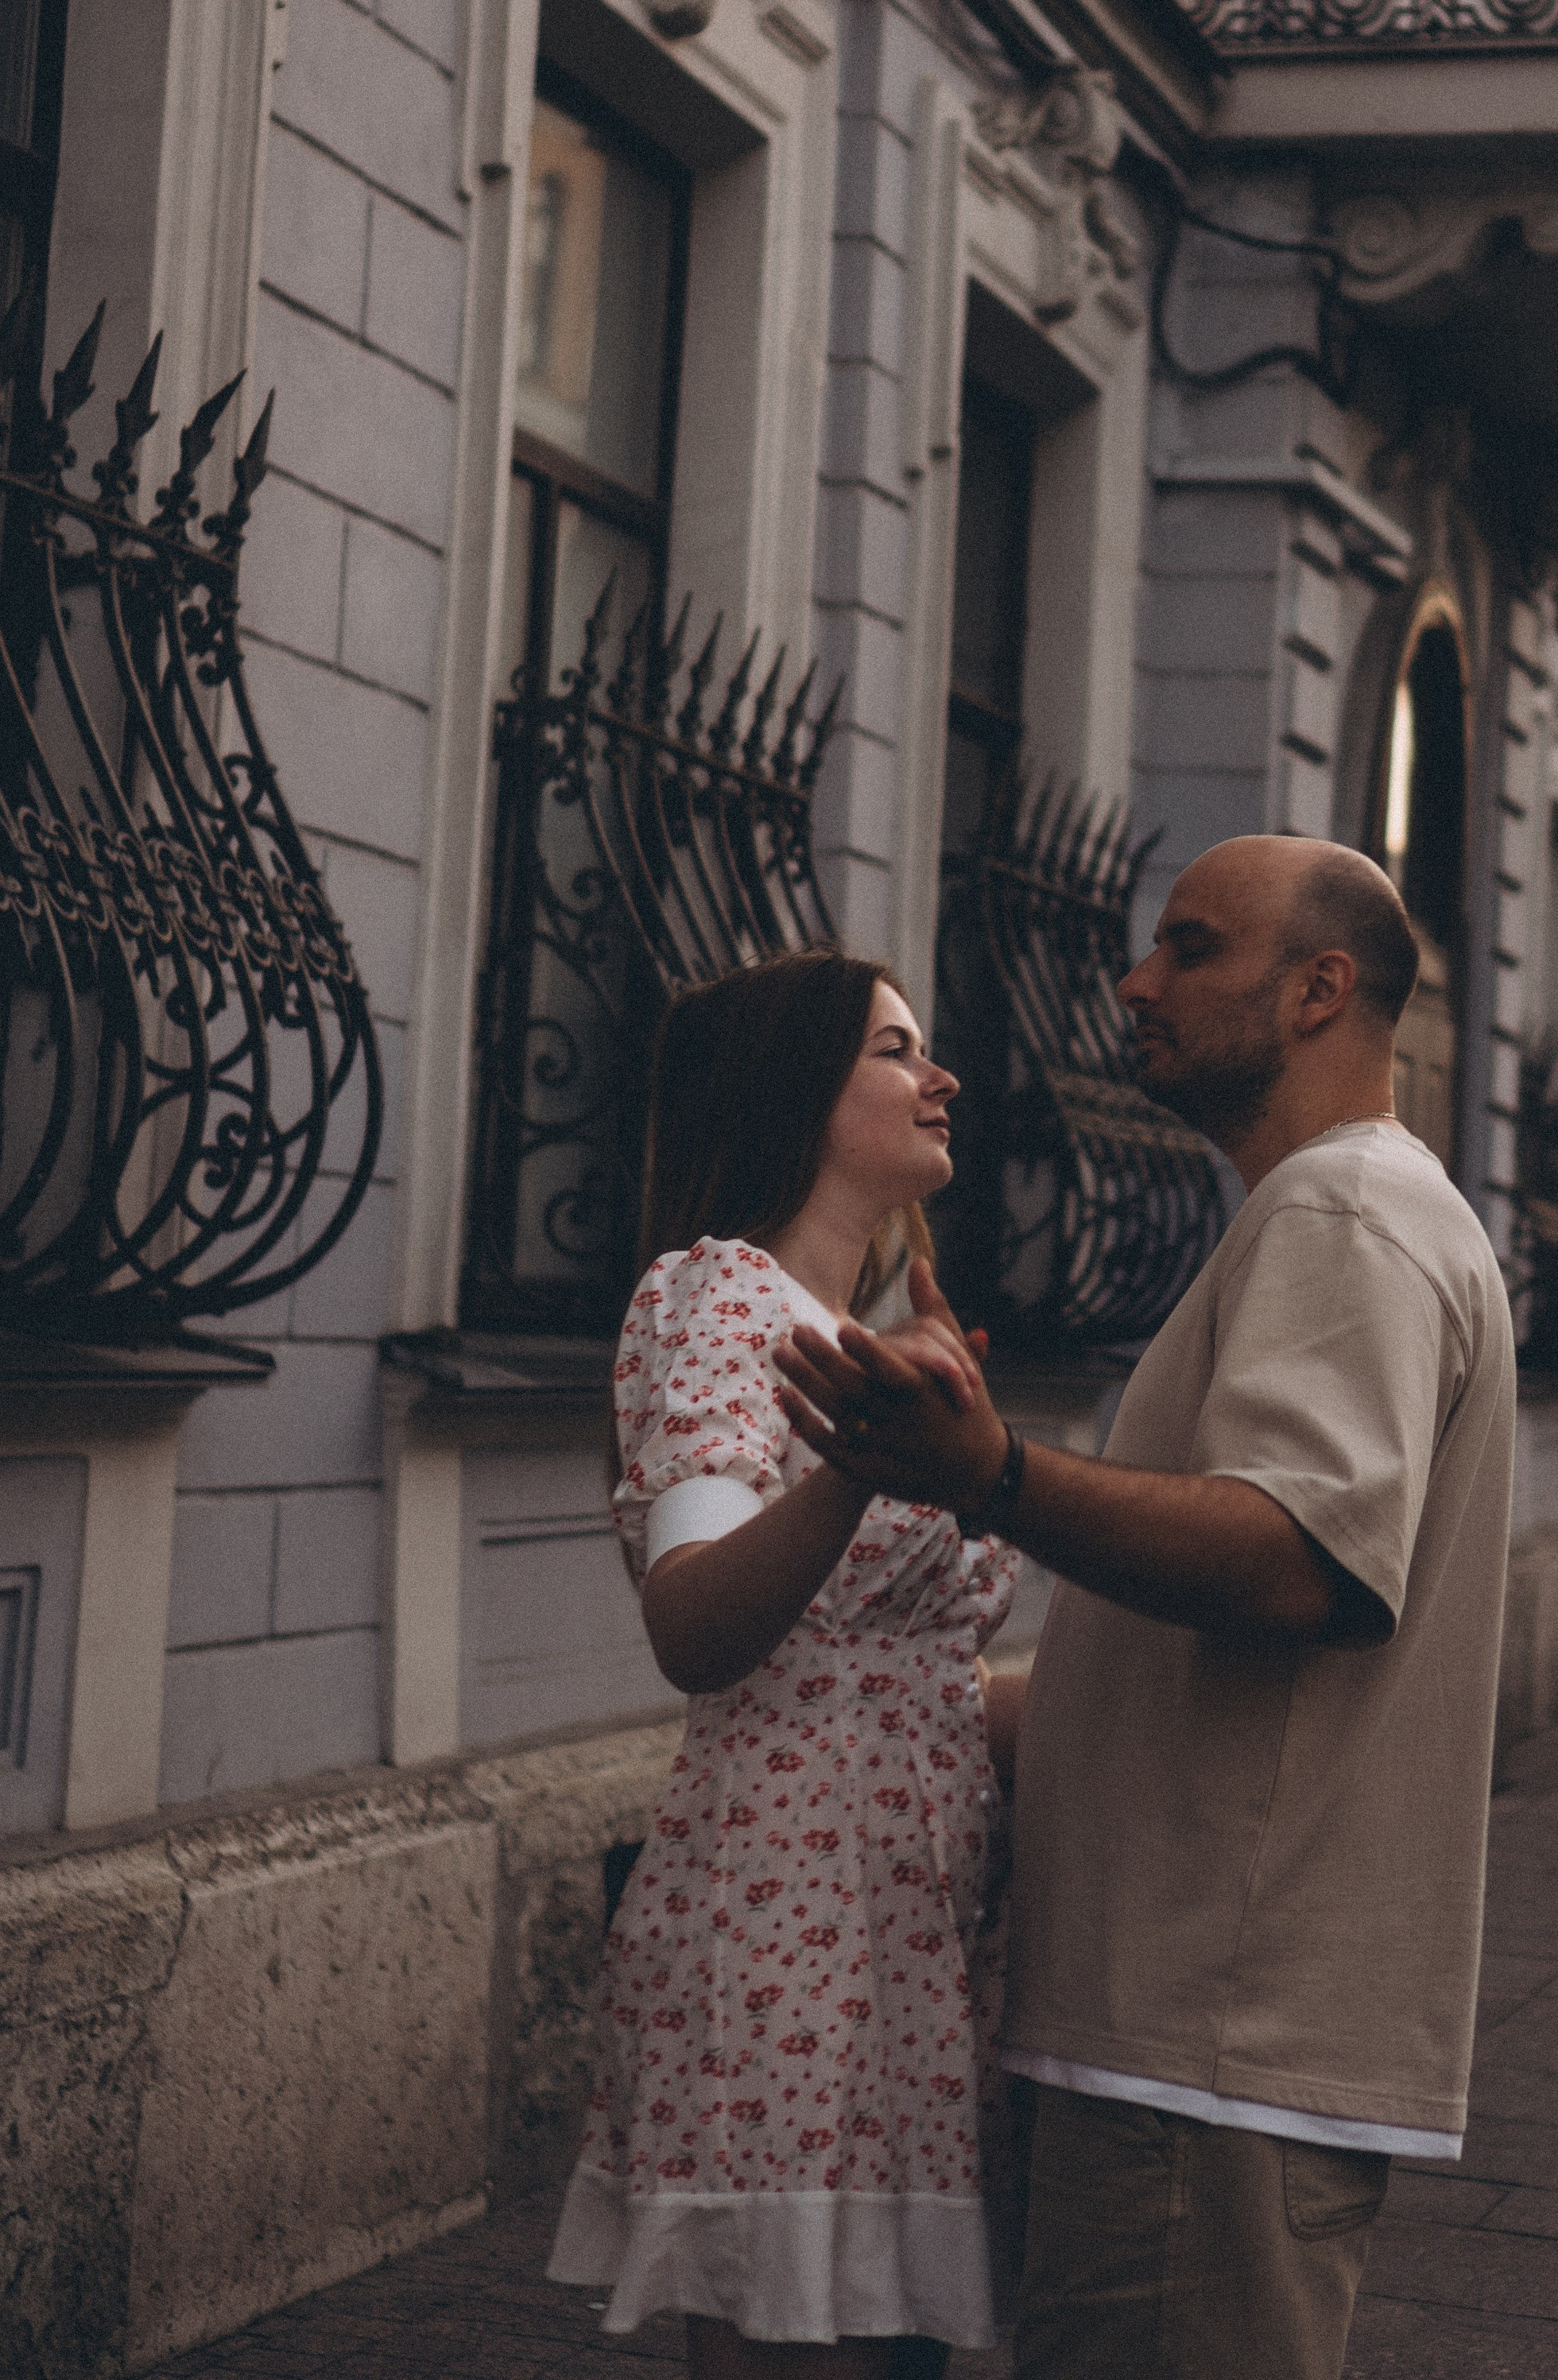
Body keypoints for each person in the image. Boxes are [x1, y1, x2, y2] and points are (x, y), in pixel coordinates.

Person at [777, 835, 1517, 2380]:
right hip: (1204, 2037)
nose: (1133, 982)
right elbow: (1193, 1657)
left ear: (1317, 990)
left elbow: (1296, 1562)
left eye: (1189, 946)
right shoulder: (1349, 1206)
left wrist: (990, 1474)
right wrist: (887, 1705)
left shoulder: (1343, 1213)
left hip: (1208, 2042)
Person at [547, 947, 1023, 2378]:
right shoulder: (724, 1300)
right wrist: (864, 1465)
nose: (940, 1077)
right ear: (793, 1094)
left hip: (904, 1927)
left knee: (885, 2347)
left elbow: (904, 1668)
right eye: (894, 1049)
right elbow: (694, 1623)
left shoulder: (853, 1337)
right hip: (790, 1920)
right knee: (808, 2348)